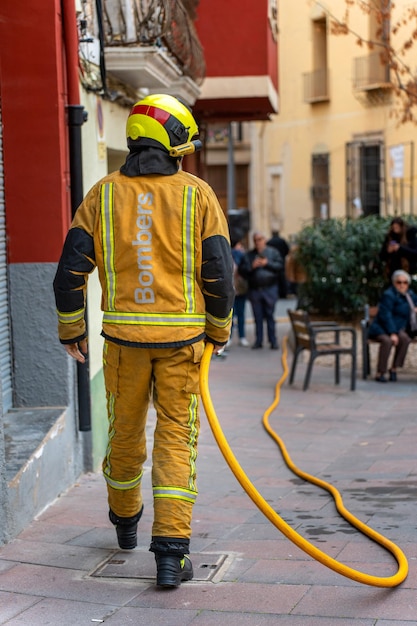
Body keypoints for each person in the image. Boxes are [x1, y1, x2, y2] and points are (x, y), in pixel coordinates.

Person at [53, 94, 234, 588]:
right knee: (177, 439)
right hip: (182, 346)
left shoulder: (102, 194)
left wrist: (72, 330)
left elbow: (69, 272)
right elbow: (218, 274)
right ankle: (171, 555)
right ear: (174, 141)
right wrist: (219, 332)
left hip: (122, 345)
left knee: (125, 433)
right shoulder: (198, 195)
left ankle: (125, 522)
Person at [368, 269, 417, 382]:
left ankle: (394, 368)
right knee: (387, 341)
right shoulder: (388, 295)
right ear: (394, 283)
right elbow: (385, 315)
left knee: (405, 339)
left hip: (398, 327)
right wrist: (392, 333)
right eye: (399, 282)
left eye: (405, 283)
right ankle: (380, 372)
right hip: (381, 327)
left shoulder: (410, 295)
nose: (402, 285)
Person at [238, 231, 283, 349]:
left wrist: (267, 263)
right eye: (256, 240)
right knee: (257, 317)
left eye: (260, 239)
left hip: (270, 288)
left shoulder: (273, 253)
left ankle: (273, 340)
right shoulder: (249, 255)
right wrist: (252, 267)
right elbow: (242, 271)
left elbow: (280, 267)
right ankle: (259, 340)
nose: (258, 242)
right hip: (255, 290)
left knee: (270, 316)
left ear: (265, 239)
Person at [229, 238, 249, 347]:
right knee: (238, 315)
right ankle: (240, 337)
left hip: (236, 289)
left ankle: (235, 337)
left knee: (234, 315)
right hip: (237, 289)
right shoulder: (240, 255)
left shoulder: (231, 255)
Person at [267, 230, 290, 298]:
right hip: (281, 261)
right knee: (282, 278)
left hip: (272, 262)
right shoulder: (282, 241)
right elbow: (287, 250)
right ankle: (283, 293)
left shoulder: (269, 242)